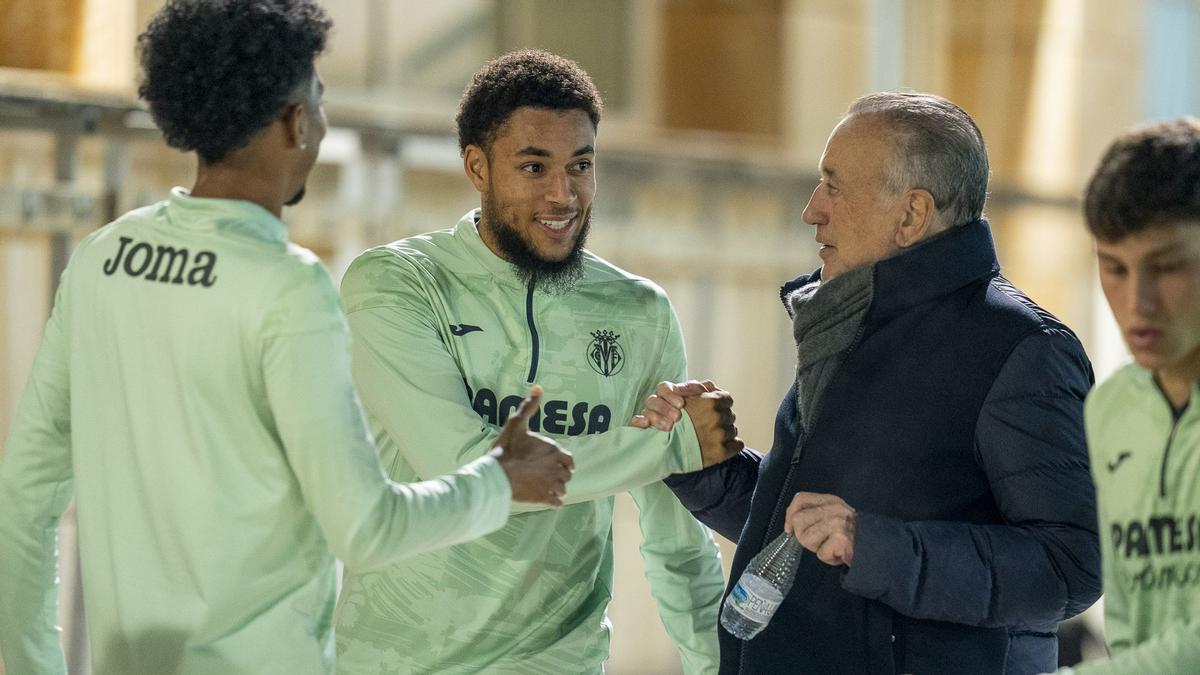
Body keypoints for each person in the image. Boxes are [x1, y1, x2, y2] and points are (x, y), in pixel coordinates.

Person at [0, 3, 573, 674]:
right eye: (319, 102)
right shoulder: (287, 287)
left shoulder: (103, 258)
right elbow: (366, 526)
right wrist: (499, 482)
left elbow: (22, 502)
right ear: (295, 121)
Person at [637, 92, 1102, 674]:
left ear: (911, 215)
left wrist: (875, 547)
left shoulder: (1023, 349)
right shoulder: (847, 324)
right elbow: (811, 534)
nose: (811, 210)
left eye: (834, 186)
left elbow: (1072, 565)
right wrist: (706, 467)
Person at [331, 49, 740, 674]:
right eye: (533, 166)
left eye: (581, 165)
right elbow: (468, 469)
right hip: (397, 661)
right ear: (476, 166)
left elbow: (676, 540)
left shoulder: (639, 313)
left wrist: (719, 667)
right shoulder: (395, 285)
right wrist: (672, 447)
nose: (563, 193)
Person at [1060, 118, 1200, 673]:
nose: (1137, 302)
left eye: (1166, 268)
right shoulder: (1109, 410)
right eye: (1113, 268)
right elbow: (1128, 623)